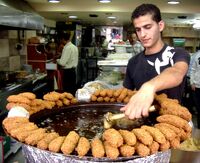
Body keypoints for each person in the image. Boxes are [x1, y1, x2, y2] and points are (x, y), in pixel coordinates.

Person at [121, 4, 190, 119]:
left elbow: (177, 72)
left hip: (172, 124)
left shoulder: (177, 54)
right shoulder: (133, 62)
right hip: (142, 124)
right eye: (138, 29)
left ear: (160, 26)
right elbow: (125, 95)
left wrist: (148, 87)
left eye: (147, 27)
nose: (142, 35)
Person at [190, 47, 200, 127]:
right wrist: (192, 82)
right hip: (197, 85)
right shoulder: (197, 56)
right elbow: (192, 69)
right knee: (199, 107)